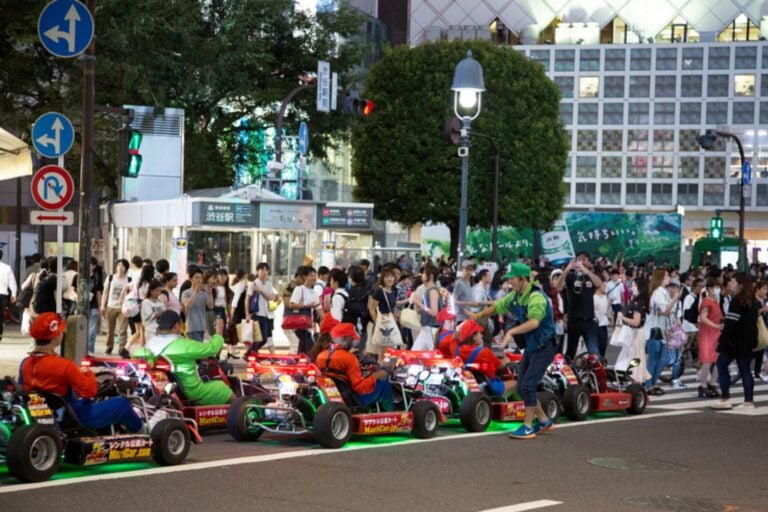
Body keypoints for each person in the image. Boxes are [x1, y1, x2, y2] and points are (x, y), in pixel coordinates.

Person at [470, 263, 558, 440]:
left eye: (512, 279)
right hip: (532, 347)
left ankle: (527, 426)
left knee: (528, 385)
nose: (509, 282)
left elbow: (534, 322)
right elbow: (497, 306)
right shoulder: (515, 295)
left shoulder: (537, 298)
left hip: (545, 347)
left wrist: (510, 332)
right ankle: (543, 420)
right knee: (522, 384)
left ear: (523, 279)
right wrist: (479, 316)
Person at [19, 313, 142, 432]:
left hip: (46, 414)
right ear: (55, 337)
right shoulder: (64, 365)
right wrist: (88, 373)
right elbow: (89, 391)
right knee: (122, 404)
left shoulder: (25, 363)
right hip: (73, 417)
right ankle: (144, 435)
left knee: (87, 402)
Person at [140, 310, 233, 405]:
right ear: (176, 326)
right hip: (194, 391)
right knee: (222, 387)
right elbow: (212, 349)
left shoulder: (150, 343)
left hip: (173, 389)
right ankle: (241, 412)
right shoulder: (182, 346)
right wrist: (219, 331)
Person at [316, 322, 394, 411]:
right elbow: (360, 387)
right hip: (354, 399)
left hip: (335, 396)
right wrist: (377, 375)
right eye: (352, 339)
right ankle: (392, 413)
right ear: (346, 338)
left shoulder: (321, 356)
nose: (354, 342)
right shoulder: (349, 358)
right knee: (384, 382)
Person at [710, 273, 759, 412]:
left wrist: (722, 341)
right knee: (745, 370)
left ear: (740, 284)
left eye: (733, 281)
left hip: (734, 341)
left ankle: (725, 398)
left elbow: (730, 324)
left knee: (721, 364)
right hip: (748, 340)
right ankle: (748, 401)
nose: (730, 284)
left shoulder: (736, 301)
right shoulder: (752, 300)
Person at [552, 252, 603, 359]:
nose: (582, 262)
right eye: (579, 259)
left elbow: (599, 284)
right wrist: (567, 269)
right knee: (570, 352)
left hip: (589, 320)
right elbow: (557, 287)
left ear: (589, 262)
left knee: (594, 353)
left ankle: (592, 373)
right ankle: (569, 373)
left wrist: (586, 271)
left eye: (585, 259)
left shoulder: (590, 276)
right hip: (574, 320)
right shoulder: (570, 276)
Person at [454, 319, 515, 397]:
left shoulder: (456, 350)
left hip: (468, 386)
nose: (482, 335)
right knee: (518, 384)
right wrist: (507, 360)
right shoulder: (483, 352)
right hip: (489, 387)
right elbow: (500, 365)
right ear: (474, 337)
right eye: (480, 333)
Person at [645, 269, 681, 395]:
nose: (668, 278)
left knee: (664, 358)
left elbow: (664, 312)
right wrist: (675, 298)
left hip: (661, 331)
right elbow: (665, 310)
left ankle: (652, 383)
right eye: (665, 276)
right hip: (654, 331)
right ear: (660, 278)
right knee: (654, 359)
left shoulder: (662, 292)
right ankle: (649, 385)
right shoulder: (658, 293)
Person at [288, 266, 323, 354]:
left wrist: (329, 321)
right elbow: (291, 304)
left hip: (307, 325)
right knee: (310, 347)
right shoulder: (299, 289)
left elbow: (319, 310)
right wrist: (307, 305)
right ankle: (313, 365)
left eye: (315, 276)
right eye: (311, 275)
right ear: (305, 277)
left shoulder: (314, 292)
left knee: (302, 350)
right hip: (299, 325)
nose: (314, 278)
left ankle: (299, 365)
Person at [697, 278, 723, 398]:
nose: (716, 290)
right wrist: (716, 325)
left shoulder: (715, 301)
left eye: (718, 287)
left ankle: (712, 383)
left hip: (715, 334)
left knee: (717, 360)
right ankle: (703, 385)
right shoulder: (707, 302)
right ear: (709, 289)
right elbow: (703, 318)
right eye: (714, 288)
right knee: (707, 361)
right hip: (707, 334)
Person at [102, 259, 130, 356]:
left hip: (123, 308)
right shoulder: (110, 278)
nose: (120, 267)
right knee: (110, 329)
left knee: (123, 329)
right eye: (118, 265)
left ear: (126, 268)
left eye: (123, 266)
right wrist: (103, 305)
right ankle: (109, 346)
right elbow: (105, 292)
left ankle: (122, 348)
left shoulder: (128, 279)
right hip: (111, 306)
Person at [181, 267, 213, 342]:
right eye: (196, 277)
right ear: (191, 279)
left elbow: (210, 306)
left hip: (202, 327)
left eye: (201, 277)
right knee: (195, 351)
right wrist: (195, 292)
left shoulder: (204, 293)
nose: (199, 280)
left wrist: (209, 294)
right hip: (192, 327)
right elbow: (187, 305)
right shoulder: (186, 292)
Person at [140, 279, 166, 343]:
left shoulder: (160, 302)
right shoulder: (146, 302)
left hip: (161, 330)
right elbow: (149, 316)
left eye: (160, 291)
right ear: (151, 291)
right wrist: (161, 313)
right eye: (156, 291)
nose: (159, 293)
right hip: (150, 331)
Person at [0, 249, 18, 342]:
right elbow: (12, 282)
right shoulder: (7, 268)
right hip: (2, 296)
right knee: (0, 314)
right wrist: (14, 293)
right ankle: (0, 332)